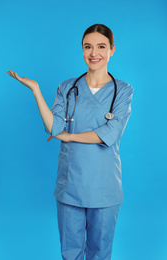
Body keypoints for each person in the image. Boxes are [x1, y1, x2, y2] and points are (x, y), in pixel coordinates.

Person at [7, 24, 133, 260]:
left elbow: (111, 133)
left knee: (100, 253)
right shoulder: (67, 87)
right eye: (88, 47)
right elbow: (54, 127)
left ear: (112, 50)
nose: (94, 53)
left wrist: (69, 136)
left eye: (101, 46)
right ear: (82, 49)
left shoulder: (123, 90)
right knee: (70, 253)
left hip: (104, 188)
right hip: (71, 185)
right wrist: (35, 90)